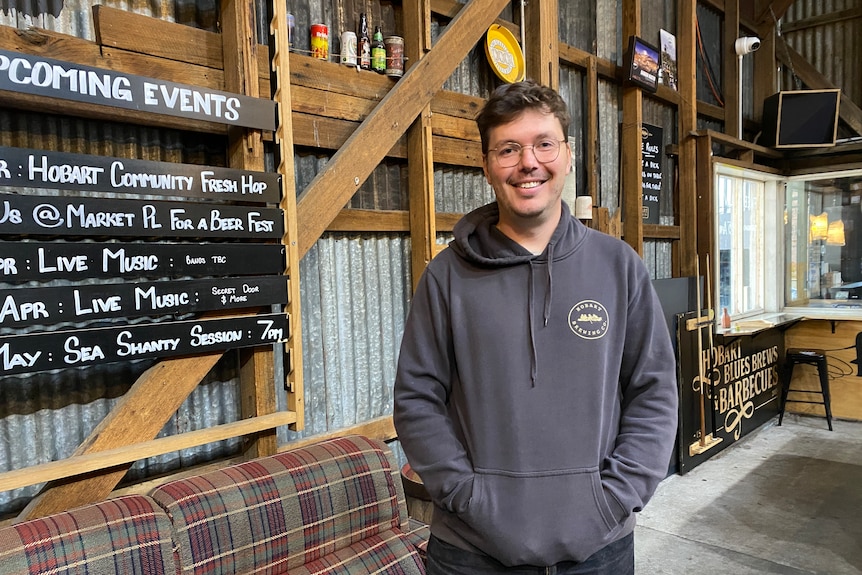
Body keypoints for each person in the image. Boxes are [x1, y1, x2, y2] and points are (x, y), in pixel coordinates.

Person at [393, 79, 679, 574]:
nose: (529, 162)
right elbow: (417, 398)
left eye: (544, 143)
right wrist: (467, 496)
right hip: (471, 553)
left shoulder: (619, 267)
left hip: (599, 548)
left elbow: (653, 393)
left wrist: (613, 499)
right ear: (486, 166)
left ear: (567, 156)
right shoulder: (446, 276)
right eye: (508, 149)